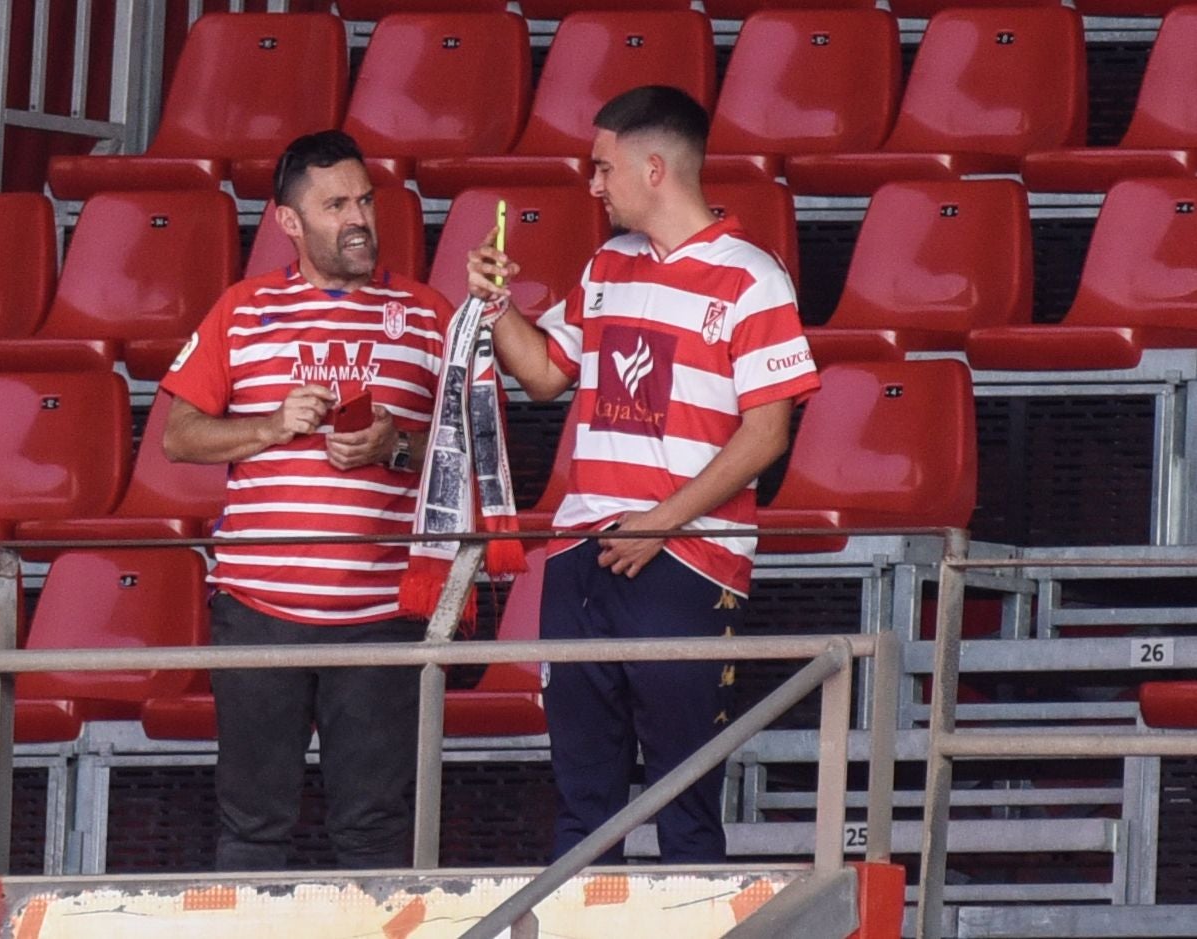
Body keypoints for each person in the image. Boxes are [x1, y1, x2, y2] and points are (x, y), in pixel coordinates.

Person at [466, 85, 821, 863]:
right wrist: (496, 308)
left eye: (603, 168)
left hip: (685, 561)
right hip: (583, 552)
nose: (592, 186)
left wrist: (662, 522)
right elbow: (546, 375)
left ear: (654, 167)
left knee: (682, 801)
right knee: (581, 802)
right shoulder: (607, 263)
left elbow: (767, 434)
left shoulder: (752, 277)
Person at [161, 130, 451, 871]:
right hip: (259, 607)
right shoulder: (241, 308)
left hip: (384, 613)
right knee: (252, 830)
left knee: (376, 833)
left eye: (364, 199)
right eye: (334, 205)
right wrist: (270, 426)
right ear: (288, 222)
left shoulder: (428, 314)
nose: (358, 218)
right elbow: (178, 436)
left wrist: (393, 445)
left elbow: (470, 458)